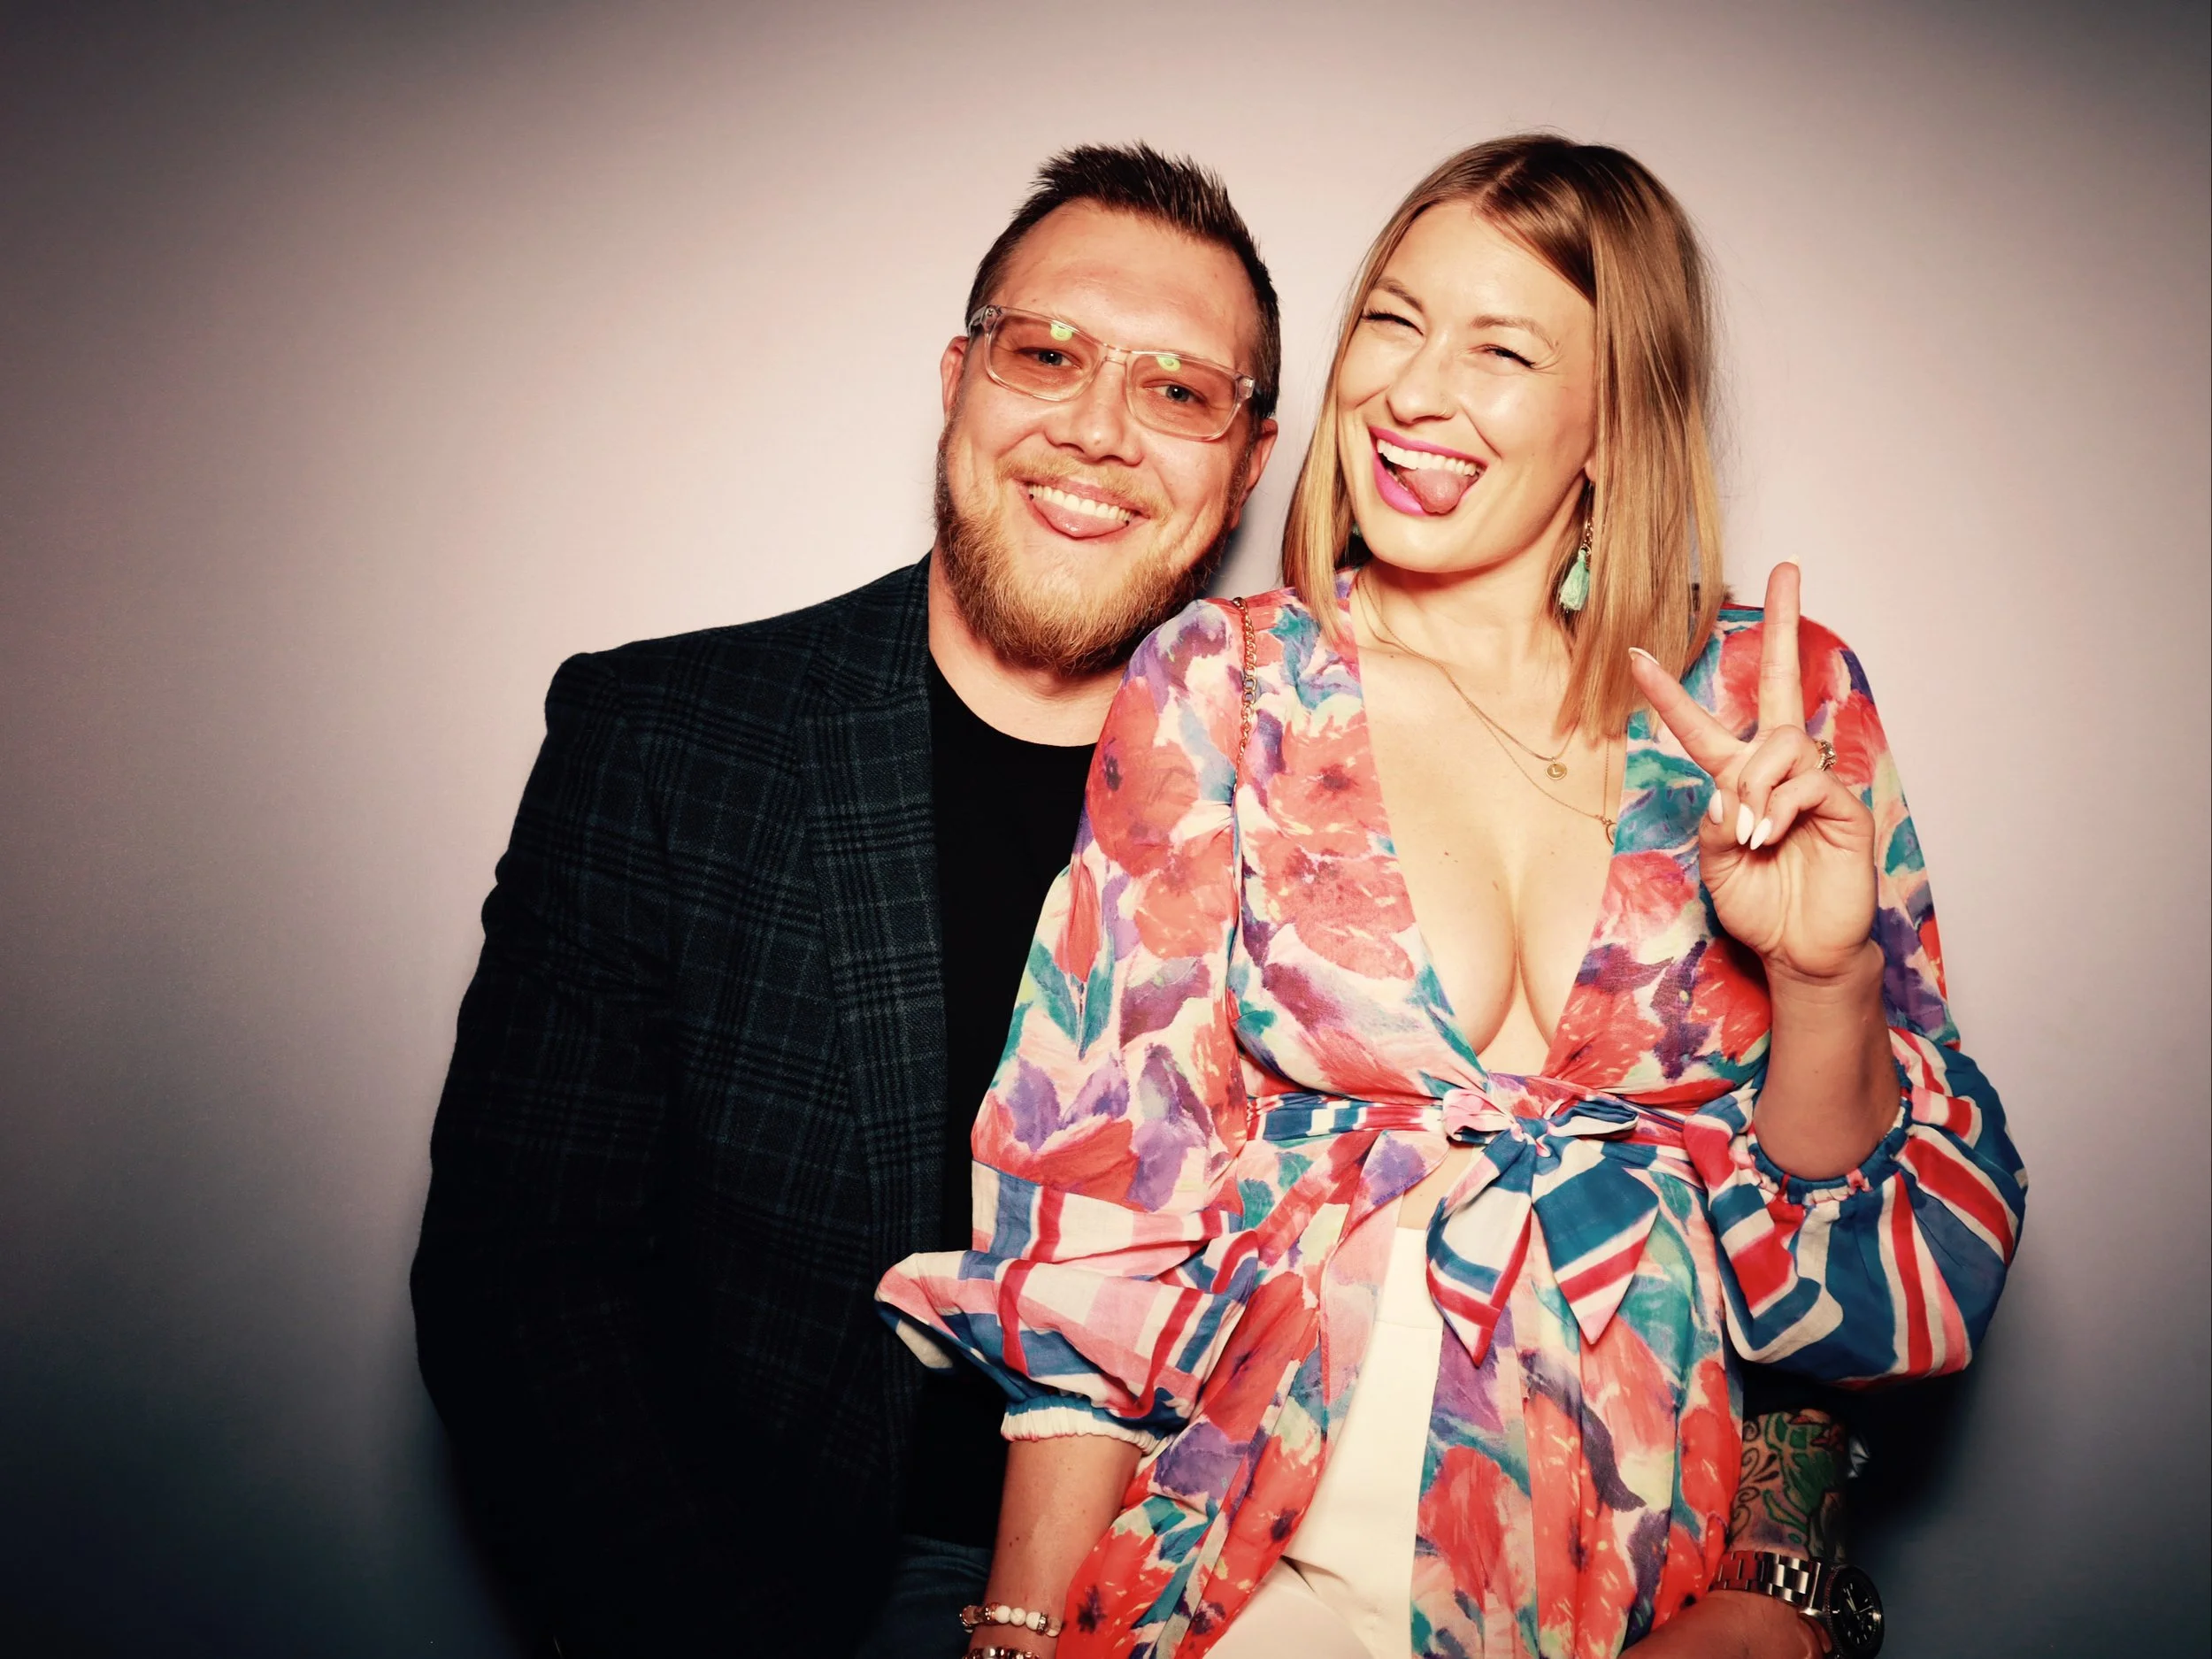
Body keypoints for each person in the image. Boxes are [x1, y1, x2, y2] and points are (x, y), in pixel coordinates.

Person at [877, 135, 2024, 1659]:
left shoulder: (1769, 706)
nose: (1413, 392)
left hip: (1654, 1592)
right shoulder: (1231, 685)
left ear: (1616, 420)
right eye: (1395, 321)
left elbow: (1874, 1308)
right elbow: (1096, 1191)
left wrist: (1823, 983)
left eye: (1500, 348)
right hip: (1258, 1560)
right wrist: (1021, 1628)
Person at [411, 143, 1284, 1656]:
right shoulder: (668, 741)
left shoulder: (1339, 787)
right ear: (958, 376)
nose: (1096, 431)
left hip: (1234, 1585)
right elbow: (521, 1289)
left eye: (1178, 389)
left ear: (1248, 461)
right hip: (789, 1590)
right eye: (1049, 353)